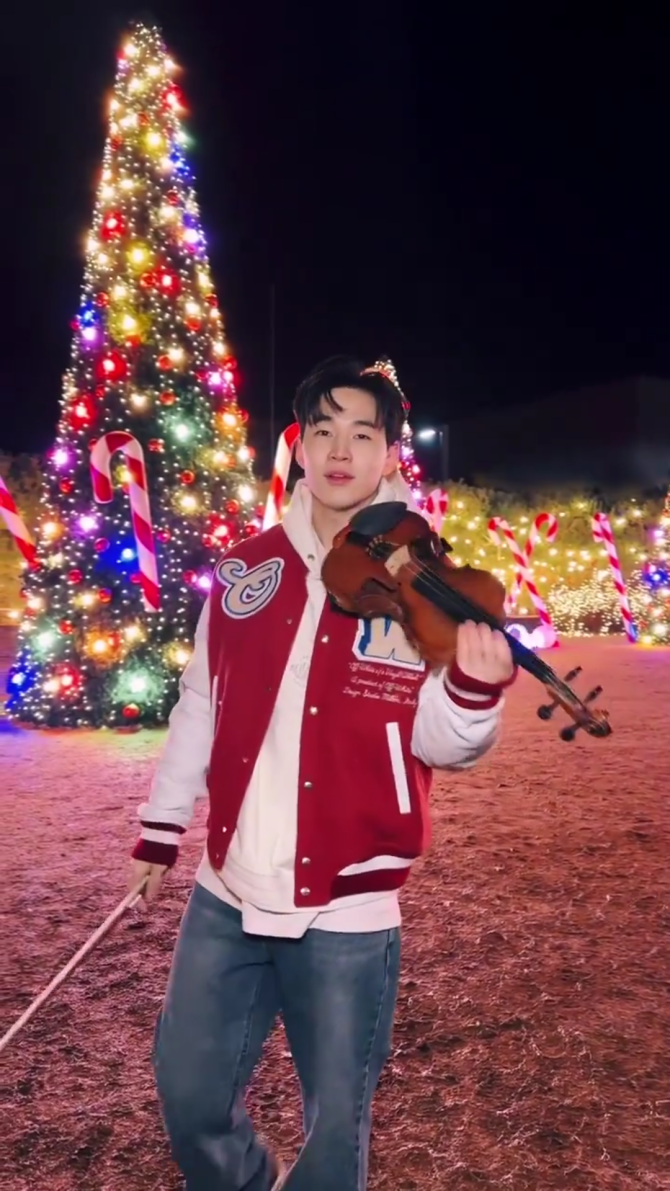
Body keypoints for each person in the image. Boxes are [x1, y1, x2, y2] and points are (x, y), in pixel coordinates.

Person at [130, 354, 516, 1191]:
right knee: (189, 1095)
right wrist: (162, 826)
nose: (342, 450)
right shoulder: (245, 567)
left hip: (349, 907)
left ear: (390, 454)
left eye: (363, 434)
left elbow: (444, 742)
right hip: (227, 888)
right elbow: (200, 698)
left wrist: (473, 693)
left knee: (335, 1133)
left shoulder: (424, 586)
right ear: (299, 446)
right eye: (324, 430)